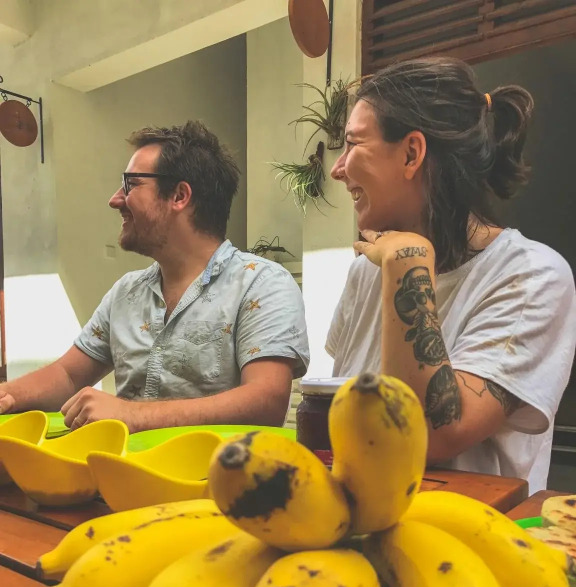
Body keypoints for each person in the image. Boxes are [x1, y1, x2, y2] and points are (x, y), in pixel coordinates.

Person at [327, 57, 576, 491]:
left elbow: (431, 433)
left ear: (411, 153)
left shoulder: (532, 276)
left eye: (352, 144)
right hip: (358, 513)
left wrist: (408, 262)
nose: (338, 168)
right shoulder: (366, 272)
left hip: (468, 525)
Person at [0, 121, 309, 431]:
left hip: (218, 465)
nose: (115, 199)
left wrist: (133, 415)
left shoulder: (262, 284)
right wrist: (7, 395)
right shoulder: (126, 292)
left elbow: (266, 401)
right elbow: (68, 376)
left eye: (131, 184)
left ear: (179, 195)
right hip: (120, 463)